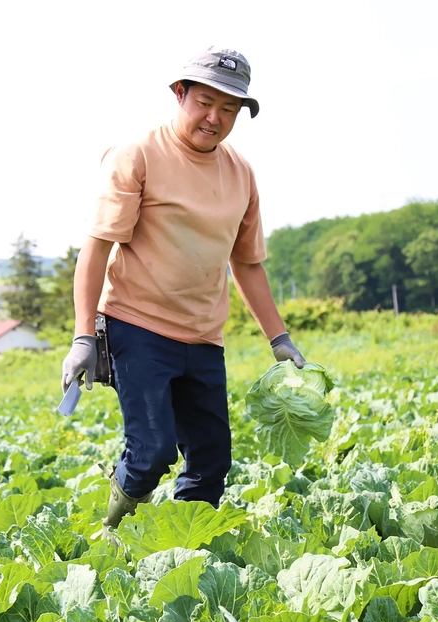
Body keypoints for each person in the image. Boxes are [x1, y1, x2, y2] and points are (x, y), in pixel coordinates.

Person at [61, 46, 306, 534]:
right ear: (180, 94)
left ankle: (182, 548)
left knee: (212, 462)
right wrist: (84, 338)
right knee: (152, 451)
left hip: (203, 336)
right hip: (137, 325)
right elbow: (97, 249)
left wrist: (279, 340)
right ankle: (112, 531)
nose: (214, 118)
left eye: (229, 109)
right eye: (204, 103)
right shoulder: (139, 155)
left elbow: (248, 262)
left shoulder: (241, 173)